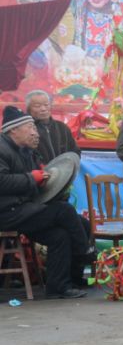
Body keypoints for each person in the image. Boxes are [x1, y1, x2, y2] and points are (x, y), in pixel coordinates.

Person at [0, 106, 89, 299]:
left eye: (35, 127)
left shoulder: (27, 152)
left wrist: (47, 179)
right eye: (30, 127)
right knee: (65, 211)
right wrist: (32, 178)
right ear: (13, 130)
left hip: (25, 209)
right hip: (8, 213)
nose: (35, 132)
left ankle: (61, 286)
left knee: (62, 235)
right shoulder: (2, 148)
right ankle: (85, 252)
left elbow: (35, 181)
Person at [26, 90, 80, 164]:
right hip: (39, 171)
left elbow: (75, 151)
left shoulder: (62, 127)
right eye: (37, 106)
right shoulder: (26, 130)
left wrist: (69, 165)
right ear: (28, 109)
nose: (43, 109)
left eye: (46, 105)